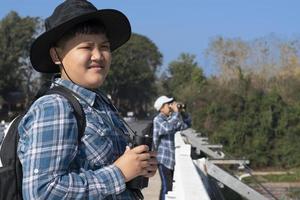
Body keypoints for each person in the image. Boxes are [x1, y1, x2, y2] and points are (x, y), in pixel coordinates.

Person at [17, 0, 157, 199]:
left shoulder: (100, 103)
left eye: (104, 47)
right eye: (86, 47)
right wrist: (119, 173)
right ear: (57, 55)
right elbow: (42, 192)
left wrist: (137, 166)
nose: (98, 55)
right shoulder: (55, 107)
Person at [152, 96, 191, 200]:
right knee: (167, 187)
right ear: (161, 108)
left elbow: (187, 125)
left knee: (166, 187)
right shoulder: (158, 119)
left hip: (172, 160)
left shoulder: (172, 119)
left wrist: (182, 112)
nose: (170, 106)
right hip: (163, 159)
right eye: (168, 104)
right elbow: (167, 128)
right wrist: (176, 113)